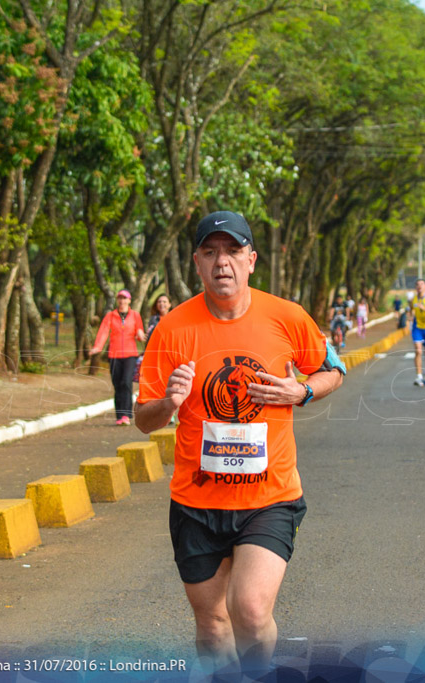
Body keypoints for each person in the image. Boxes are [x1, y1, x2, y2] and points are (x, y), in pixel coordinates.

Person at [135, 210, 345, 678]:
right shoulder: (172, 328)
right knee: (211, 627)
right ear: (196, 263)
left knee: (249, 611)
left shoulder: (287, 317)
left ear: (251, 260)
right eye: (210, 253)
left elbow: (334, 369)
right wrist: (169, 401)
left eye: (232, 251)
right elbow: (142, 420)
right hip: (196, 501)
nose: (221, 262)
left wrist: (303, 390)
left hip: (268, 498)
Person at [90, 289, 146, 425]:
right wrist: (98, 347)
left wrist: (140, 334)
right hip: (114, 355)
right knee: (117, 384)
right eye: (120, 298)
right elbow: (103, 331)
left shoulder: (135, 315)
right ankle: (120, 415)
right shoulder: (110, 316)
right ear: (117, 300)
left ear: (129, 300)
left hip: (130, 355)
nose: (122, 301)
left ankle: (126, 415)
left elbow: (139, 331)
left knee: (126, 383)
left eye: (125, 298)